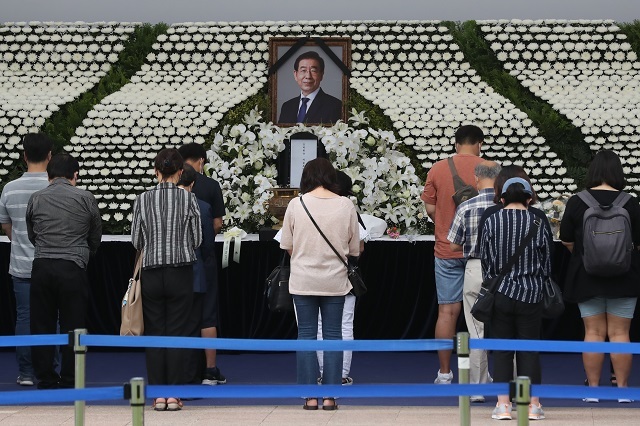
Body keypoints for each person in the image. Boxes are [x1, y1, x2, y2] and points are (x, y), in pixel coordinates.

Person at [559, 150, 640, 403]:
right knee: (620, 334)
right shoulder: (630, 202)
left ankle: (593, 390)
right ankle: (623, 390)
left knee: (592, 332)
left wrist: (587, 256)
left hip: (586, 276)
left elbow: (566, 239)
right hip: (624, 276)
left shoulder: (577, 201)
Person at [279, 158, 360, 410]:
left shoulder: (296, 204)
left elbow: (287, 245)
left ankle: (309, 396)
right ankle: (330, 396)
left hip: (303, 279)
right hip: (335, 280)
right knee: (333, 336)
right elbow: (354, 248)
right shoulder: (346, 204)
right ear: (331, 177)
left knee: (306, 335)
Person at [131, 148, 202, 411]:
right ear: (181, 172)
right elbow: (197, 240)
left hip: (150, 271)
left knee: (155, 332)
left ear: (156, 171)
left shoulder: (142, 199)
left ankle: (158, 395)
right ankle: (174, 395)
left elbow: (136, 241)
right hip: (180, 271)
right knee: (177, 331)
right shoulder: (188, 199)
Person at [25, 153, 102, 389]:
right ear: (75, 175)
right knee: (74, 325)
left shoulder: (36, 198)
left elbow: (32, 234)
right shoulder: (85, 198)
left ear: (48, 175)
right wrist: (83, 254)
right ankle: (71, 378)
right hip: (73, 267)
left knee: (41, 324)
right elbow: (95, 235)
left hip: (42, 266)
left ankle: (46, 377)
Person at [480, 178, 551, 421]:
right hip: (531, 294)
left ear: (501, 199)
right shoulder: (537, 221)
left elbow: (486, 262)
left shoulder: (492, 220)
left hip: (500, 293)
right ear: (529, 199)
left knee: (501, 350)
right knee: (529, 349)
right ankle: (533, 404)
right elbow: (546, 263)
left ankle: (503, 406)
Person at [421, 124, 484, 385]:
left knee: (447, 313)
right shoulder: (491, 168)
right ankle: (481, 374)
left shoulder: (438, 168)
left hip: (446, 249)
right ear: (480, 143)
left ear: (456, 144)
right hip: (481, 252)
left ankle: (445, 373)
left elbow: (430, 209)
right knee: (482, 314)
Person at [0, 133, 53, 387]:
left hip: (21, 264)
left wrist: (19, 240)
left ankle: (26, 372)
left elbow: (5, 224)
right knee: (53, 317)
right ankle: (52, 370)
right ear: (50, 156)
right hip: (52, 264)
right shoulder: (55, 187)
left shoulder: (10, 188)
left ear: (24, 156)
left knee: (24, 318)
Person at [447, 160, 501, 402]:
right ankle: (504, 384)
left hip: (475, 268)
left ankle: (477, 388)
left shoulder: (467, 206)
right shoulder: (506, 206)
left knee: (476, 328)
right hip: (503, 272)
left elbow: (453, 244)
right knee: (505, 327)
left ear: (477, 180)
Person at [177, 142, 226, 385]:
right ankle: (209, 370)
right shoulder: (211, 186)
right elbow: (217, 223)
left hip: (174, 262)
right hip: (203, 260)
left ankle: (181, 369)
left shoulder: (169, 185)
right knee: (207, 315)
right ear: (201, 161)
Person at [316, 170, 367, 386]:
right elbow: (360, 247)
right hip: (344, 276)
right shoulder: (349, 209)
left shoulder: (308, 204)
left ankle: (323, 374)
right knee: (344, 326)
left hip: (313, 275)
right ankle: (342, 374)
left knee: (319, 326)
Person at [278, 51, 342, 125]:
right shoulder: (287, 107)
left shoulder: (335, 106)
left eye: (313, 71)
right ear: (295, 75)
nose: (308, 76)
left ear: (321, 75)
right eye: (303, 70)